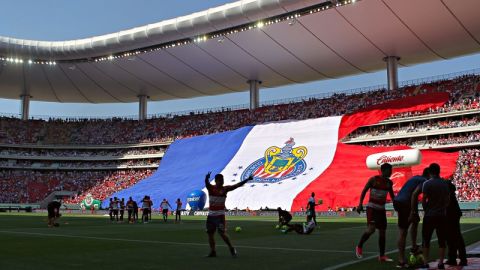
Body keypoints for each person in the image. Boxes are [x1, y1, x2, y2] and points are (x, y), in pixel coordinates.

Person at [410, 163, 450, 269]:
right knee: (442, 240)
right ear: (439, 171)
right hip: (441, 215)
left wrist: (427, 210)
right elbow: (447, 200)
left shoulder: (427, 184)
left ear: (430, 172)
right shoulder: (444, 183)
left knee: (426, 240)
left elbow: (424, 200)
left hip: (430, 215)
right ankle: (441, 263)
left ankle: (425, 262)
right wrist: (443, 208)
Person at [204, 171, 253, 258]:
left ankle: (231, 248)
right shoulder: (211, 188)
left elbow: (236, 185)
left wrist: (247, 179)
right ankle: (213, 251)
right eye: (220, 180)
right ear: (216, 181)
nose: (222, 182)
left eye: (223, 180)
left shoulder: (225, 189)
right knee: (210, 234)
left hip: (220, 216)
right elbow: (207, 183)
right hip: (211, 216)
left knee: (222, 233)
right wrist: (207, 178)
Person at [355, 163, 395, 262]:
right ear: (383, 170)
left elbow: (392, 196)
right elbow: (364, 190)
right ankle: (359, 246)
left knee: (382, 233)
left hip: (381, 210)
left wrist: (397, 205)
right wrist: (360, 204)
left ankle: (382, 256)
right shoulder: (373, 179)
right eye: (390, 170)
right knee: (371, 230)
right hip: (372, 208)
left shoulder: (389, 182)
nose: (391, 172)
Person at [393, 167, 430, 268]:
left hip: (399, 201)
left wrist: (414, 213)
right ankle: (401, 261)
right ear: (429, 175)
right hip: (405, 203)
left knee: (415, 220)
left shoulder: (416, 178)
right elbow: (414, 195)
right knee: (403, 231)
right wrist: (413, 212)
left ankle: (414, 247)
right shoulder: (425, 181)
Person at [445, 179, 467, 266]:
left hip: (451, 214)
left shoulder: (448, 193)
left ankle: (458, 259)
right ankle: (454, 258)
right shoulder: (451, 191)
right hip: (453, 214)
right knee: (453, 237)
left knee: (455, 237)